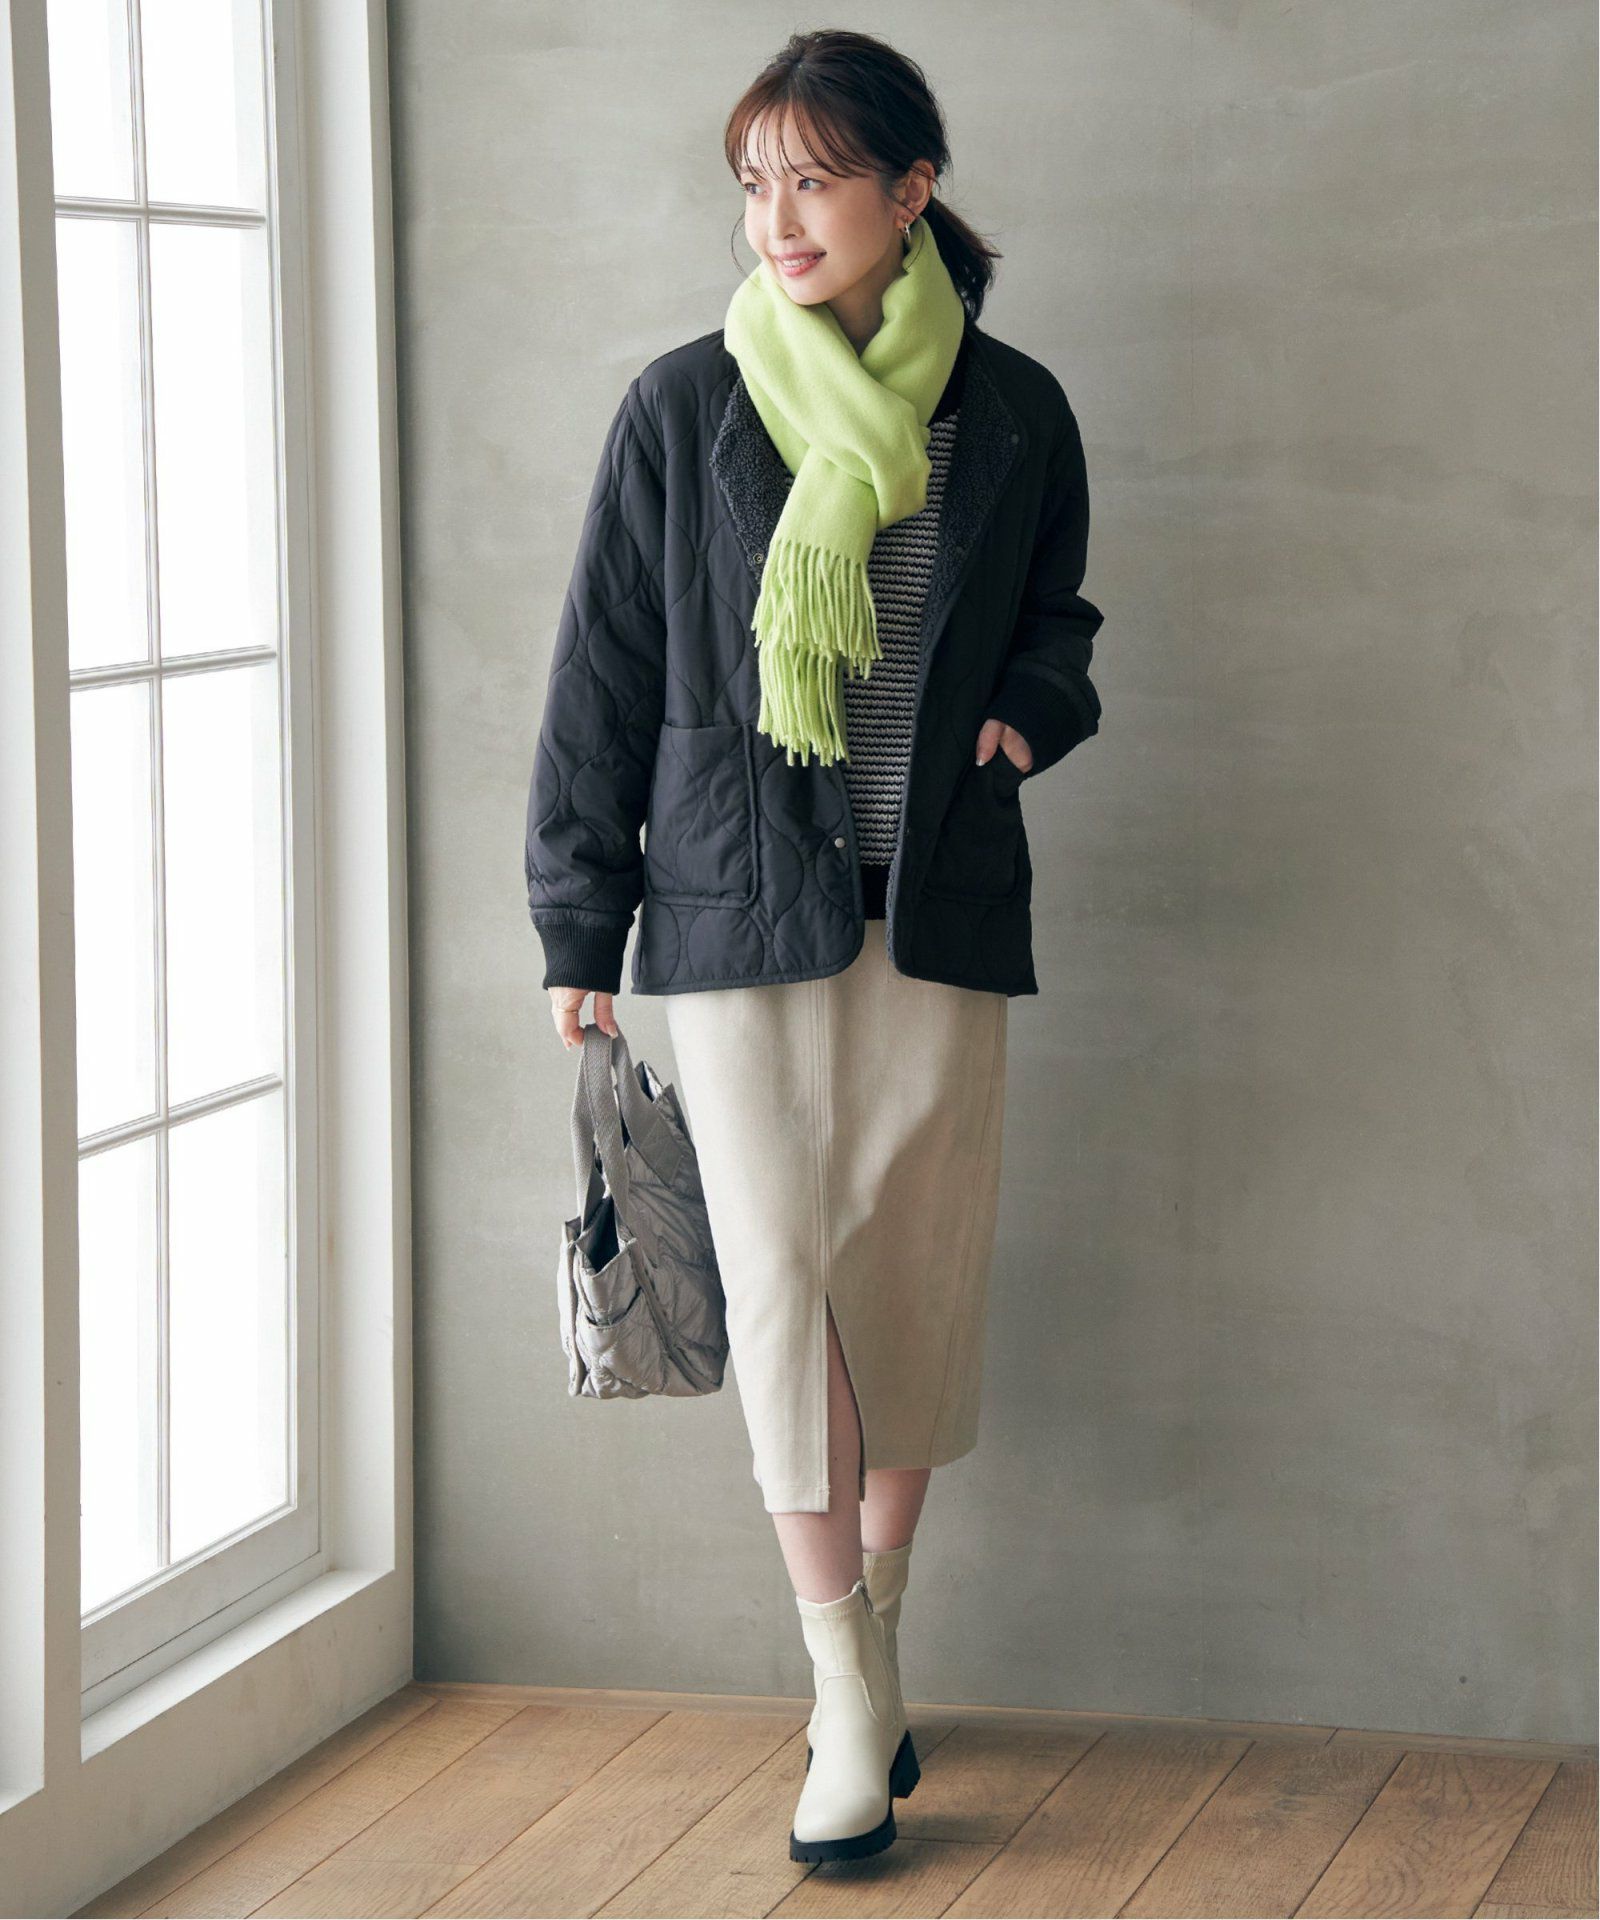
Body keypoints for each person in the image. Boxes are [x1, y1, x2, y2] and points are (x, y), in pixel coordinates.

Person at [523, 27, 1105, 1866]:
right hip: (729, 908)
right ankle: (841, 1687)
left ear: (909, 190)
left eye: (816, 178)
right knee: (782, 1283)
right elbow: (603, 671)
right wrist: (578, 916)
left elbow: (1062, 621)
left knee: (909, 1276)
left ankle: (886, 1626)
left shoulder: (1011, 411)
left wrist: (1026, 717)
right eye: (755, 182)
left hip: (934, 903)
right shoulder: (686, 406)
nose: (778, 217)